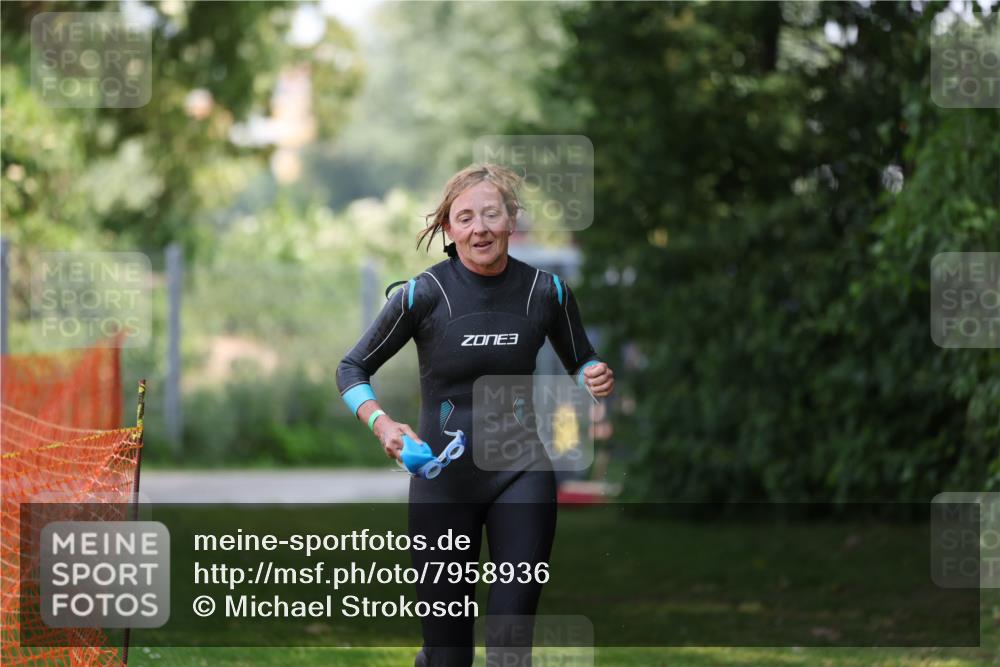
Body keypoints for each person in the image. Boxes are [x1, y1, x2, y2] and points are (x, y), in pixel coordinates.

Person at [336, 163, 615, 666]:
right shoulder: (422, 295)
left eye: (491, 214)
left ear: (512, 220)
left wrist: (593, 373)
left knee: (510, 648)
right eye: (465, 217)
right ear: (448, 228)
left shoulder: (545, 292)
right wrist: (382, 423)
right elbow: (351, 368)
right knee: (448, 656)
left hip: (521, 472)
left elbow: (582, 358)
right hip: (443, 481)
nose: (479, 227)